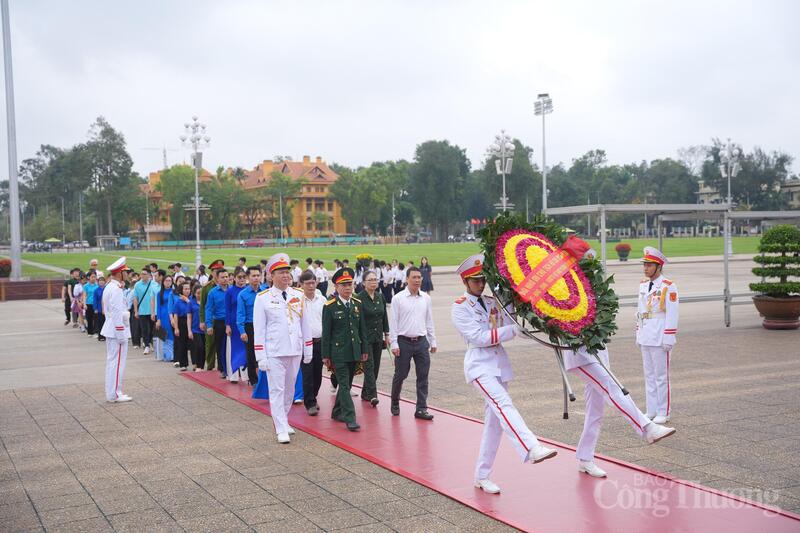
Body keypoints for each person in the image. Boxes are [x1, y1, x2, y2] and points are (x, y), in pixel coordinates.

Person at [451, 254, 557, 494]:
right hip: (479, 365)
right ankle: (531, 447)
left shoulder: (491, 301)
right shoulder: (459, 308)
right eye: (475, 280)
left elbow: (510, 309)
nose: (481, 284)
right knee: (503, 404)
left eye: (483, 279)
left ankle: (482, 475)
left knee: (494, 424)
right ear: (465, 282)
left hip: (498, 364)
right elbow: (478, 337)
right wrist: (511, 331)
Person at [563, 344, 677, 478]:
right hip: (580, 356)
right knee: (613, 388)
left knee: (595, 411)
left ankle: (585, 457)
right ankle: (648, 428)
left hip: (595, 352)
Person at [253, 253, 313, 443]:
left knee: (289, 389)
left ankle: (284, 419)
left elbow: (305, 324)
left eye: (287, 272)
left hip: (294, 349)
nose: (286, 276)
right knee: (276, 390)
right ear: (271, 276)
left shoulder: (298, 295)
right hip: (275, 351)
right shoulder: (263, 298)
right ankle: (280, 427)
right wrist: (260, 355)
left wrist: (308, 348)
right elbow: (259, 329)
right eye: (281, 273)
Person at [322, 267, 369, 431]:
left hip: (354, 350)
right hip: (339, 353)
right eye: (344, 285)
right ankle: (350, 418)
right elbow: (326, 333)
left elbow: (362, 329)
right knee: (343, 382)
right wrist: (326, 355)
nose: (348, 288)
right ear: (336, 287)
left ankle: (336, 412)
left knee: (346, 385)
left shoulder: (357, 304)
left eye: (350, 284)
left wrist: (364, 349)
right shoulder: (330, 306)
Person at [636, 246, 679, 424]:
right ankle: (651, 409)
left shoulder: (668, 286)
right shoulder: (643, 285)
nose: (645, 268)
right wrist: (638, 332)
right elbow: (639, 310)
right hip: (646, 333)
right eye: (644, 264)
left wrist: (669, 336)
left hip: (660, 334)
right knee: (649, 375)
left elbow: (672, 312)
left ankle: (664, 411)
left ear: (658, 267)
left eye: (649, 265)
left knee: (661, 376)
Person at [389, 266, 436, 419]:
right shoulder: (398, 299)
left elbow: (429, 321)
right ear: (407, 279)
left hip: (421, 342)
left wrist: (432, 340)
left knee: (423, 376)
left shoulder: (426, 298)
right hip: (404, 342)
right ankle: (395, 401)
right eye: (414, 277)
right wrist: (394, 343)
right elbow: (393, 323)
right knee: (401, 374)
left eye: (419, 277)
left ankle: (421, 408)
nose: (417, 280)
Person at [101, 257, 132, 403]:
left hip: (111, 328)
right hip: (116, 330)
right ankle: (115, 393)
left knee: (113, 362)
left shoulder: (110, 286)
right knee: (117, 363)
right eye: (125, 271)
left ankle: (112, 392)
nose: (128, 274)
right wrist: (121, 334)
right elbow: (117, 313)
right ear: (120, 273)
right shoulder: (116, 289)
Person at [358, 270, 389, 407]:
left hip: (378, 338)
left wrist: (387, 334)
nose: (373, 282)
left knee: (375, 367)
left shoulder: (380, 297)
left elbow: (384, 317)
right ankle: (373, 395)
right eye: (370, 280)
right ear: (364, 283)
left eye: (375, 279)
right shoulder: (359, 298)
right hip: (365, 338)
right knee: (369, 366)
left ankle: (366, 392)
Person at [299, 270, 326, 415]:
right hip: (305, 344)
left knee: (318, 374)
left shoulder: (322, 300)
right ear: (301, 285)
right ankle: (309, 403)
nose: (311, 286)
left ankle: (313, 397)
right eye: (308, 283)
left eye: (313, 282)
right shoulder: (297, 301)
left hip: (320, 342)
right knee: (307, 373)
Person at [205, 267, 230, 379]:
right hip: (220, 322)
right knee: (221, 347)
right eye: (222, 277)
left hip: (232, 322)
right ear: (217, 279)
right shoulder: (213, 292)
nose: (225, 279)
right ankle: (223, 368)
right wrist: (209, 325)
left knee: (233, 346)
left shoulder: (232, 290)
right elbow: (208, 309)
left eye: (226, 277)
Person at [200, 259, 225, 370]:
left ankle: (222, 366)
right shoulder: (207, 288)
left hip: (223, 319)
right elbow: (203, 306)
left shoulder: (227, 286)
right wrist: (202, 321)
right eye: (216, 270)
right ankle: (210, 366)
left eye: (220, 269)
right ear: (212, 273)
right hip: (210, 319)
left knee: (223, 344)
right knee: (210, 344)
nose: (218, 272)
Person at [225, 267, 248, 382]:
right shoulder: (230, 291)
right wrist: (227, 325)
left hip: (245, 323)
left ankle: (245, 375)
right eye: (239, 277)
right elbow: (227, 309)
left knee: (246, 348)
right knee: (233, 348)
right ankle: (233, 374)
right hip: (233, 323)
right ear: (234, 278)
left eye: (244, 277)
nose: (242, 280)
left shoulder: (248, 290)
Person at [133, 268, 157, 355]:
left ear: (149, 275)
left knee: (151, 329)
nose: (142, 275)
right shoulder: (137, 285)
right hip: (142, 310)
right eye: (141, 274)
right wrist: (136, 311)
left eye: (144, 274)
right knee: (144, 329)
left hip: (152, 311)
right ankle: (146, 345)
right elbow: (135, 298)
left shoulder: (154, 284)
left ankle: (149, 342)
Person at [171, 279, 192, 371]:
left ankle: (195, 363)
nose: (187, 291)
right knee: (182, 344)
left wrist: (188, 301)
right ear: (181, 290)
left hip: (191, 322)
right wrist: (176, 328)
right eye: (185, 289)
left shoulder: (191, 300)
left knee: (193, 344)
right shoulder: (178, 302)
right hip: (182, 322)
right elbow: (176, 315)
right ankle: (183, 363)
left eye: (188, 289)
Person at [154, 273, 173, 363]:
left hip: (172, 315)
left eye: (170, 281)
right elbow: (158, 307)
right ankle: (166, 355)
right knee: (165, 334)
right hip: (164, 315)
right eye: (166, 280)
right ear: (163, 282)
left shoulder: (174, 292)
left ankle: (173, 355)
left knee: (172, 334)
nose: (168, 282)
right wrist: (158, 319)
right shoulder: (159, 293)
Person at [189, 284, 205, 371]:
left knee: (204, 348)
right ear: (194, 293)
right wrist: (189, 330)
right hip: (195, 328)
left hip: (205, 329)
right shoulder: (191, 302)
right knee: (199, 346)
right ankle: (198, 365)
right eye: (198, 293)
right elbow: (189, 317)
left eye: (201, 293)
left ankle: (202, 366)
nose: (200, 295)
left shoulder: (205, 302)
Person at [84, 270, 99, 336]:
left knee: (96, 318)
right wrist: (84, 304)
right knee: (89, 318)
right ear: (88, 277)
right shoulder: (86, 286)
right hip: (88, 304)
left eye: (95, 277)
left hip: (96, 304)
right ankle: (90, 332)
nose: (94, 278)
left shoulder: (97, 285)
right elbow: (84, 295)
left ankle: (96, 331)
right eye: (92, 277)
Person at [94, 274, 106, 341]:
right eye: (100, 281)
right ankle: (100, 336)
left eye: (102, 281)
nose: (101, 282)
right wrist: (95, 308)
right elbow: (95, 300)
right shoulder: (96, 290)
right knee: (100, 322)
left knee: (105, 322)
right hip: (99, 308)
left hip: (106, 309)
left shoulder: (107, 289)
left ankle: (105, 336)